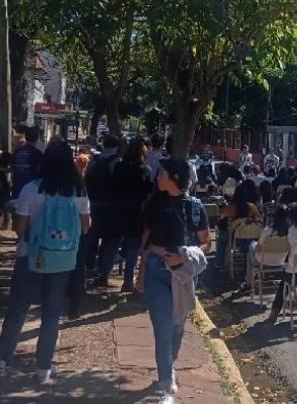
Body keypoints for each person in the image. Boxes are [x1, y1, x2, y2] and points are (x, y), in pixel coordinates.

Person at [0, 142, 91, 382]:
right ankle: (43, 368)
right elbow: (85, 228)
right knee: (52, 312)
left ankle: (2, 360)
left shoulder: (31, 189)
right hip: (62, 259)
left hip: (30, 256)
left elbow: (20, 228)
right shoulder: (78, 192)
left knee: (18, 308)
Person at [138, 158, 210, 403]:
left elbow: (206, 241)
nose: (157, 178)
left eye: (162, 174)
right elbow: (146, 240)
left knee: (178, 324)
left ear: (176, 178)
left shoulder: (194, 207)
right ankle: (166, 384)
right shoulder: (153, 204)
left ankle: (170, 365)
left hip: (183, 273)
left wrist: (185, 255)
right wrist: (141, 272)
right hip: (156, 270)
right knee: (163, 326)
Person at [95, 139, 153, 291]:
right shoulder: (145, 170)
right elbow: (148, 192)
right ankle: (128, 282)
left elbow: (111, 185)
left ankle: (103, 276)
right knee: (133, 248)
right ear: (142, 153)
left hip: (117, 210)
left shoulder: (119, 166)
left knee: (111, 245)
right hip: (136, 213)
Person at [84, 134, 122, 273]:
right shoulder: (117, 161)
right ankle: (102, 268)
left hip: (93, 202)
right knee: (108, 237)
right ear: (116, 146)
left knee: (93, 234)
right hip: (110, 205)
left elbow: (86, 178)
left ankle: (89, 263)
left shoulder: (94, 160)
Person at [216, 182, 263, 270]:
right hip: (249, 239)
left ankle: (219, 263)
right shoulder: (251, 207)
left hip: (233, 240)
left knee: (222, 238)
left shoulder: (230, 208)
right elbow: (260, 220)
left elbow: (221, 221)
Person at [11, 126, 44, 199]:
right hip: (30, 191)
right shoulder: (37, 154)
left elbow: (13, 168)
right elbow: (41, 172)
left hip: (16, 188)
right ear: (37, 139)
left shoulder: (17, 151)